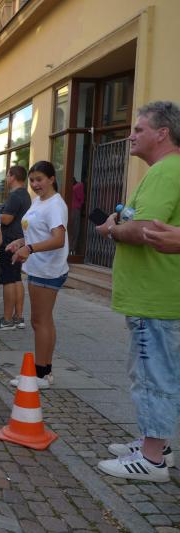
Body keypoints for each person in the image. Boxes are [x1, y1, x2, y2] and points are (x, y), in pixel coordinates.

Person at [94, 101, 180, 483]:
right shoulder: (167, 170)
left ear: (163, 133)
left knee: (151, 377)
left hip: (154, 296)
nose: (131, 136)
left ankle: (152, 459)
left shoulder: (165, 171)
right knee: (155, 373)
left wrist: (112, 229)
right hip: (156, 294)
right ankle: (156, 443)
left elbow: (145, 229)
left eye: (139, 129)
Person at [5, 161, 69, 389]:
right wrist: (20, 242)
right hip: (39, 267)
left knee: (39, 321)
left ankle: (41, 374)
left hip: (47, 269)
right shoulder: (39, 201)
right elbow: (37, 231)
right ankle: (44, 371)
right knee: (44, 320)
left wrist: (29, 249)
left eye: (39, 179)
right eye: (32, 180)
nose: (35, 184)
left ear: (51, 179)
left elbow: (58, 239)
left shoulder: (55, 205)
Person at [0, 166, 31, 330]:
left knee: (8, 280)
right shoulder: (25, 194)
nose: (6, 178)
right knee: (16, 278)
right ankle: (18, 317)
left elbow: (7, 219)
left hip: (9, 242)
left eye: (7, 175)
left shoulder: (15, 195)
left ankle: (7, 320)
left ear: (12, 176)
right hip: (19, 239)